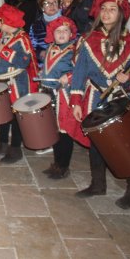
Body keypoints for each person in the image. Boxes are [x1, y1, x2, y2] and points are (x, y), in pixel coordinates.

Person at [71, 0, 130, 209]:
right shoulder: (89, 40)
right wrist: (76, 102)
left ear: (121, 13)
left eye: (112, 9)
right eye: (103, 9)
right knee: (97, 143)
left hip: (123, 100)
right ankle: (98, 184)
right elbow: (79, 74)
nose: (106, 13)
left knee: (129, 145)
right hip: (95, 98)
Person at [0, 4, 39, 163]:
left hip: (16, 83)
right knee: (1, 114)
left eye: (1, 21)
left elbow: (24, 60)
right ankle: (1, 144)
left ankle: (15, 148)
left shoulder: (22, 39)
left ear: (10, 22)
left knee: (15, 116)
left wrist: (3, 52)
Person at [38, 16, 87, 179]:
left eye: (65, 31)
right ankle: (56, 163)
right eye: (58, 31)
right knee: (54, 130)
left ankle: (63, 166)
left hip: (64, 97)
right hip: (49, 94)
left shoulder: (75, 49)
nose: (61, 34)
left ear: (71, 33)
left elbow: (82, 70)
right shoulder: (51, 47)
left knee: (64, 132)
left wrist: (69, 77)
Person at [29, 0, 61, 64]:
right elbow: (31, 48)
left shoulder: (67, 22)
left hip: (63, 63)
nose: (52, 6)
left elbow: (75, 43)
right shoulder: (35, 25)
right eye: (47, 3)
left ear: (59, 5)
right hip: (42, 65)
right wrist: (40, 53)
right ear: (42, 7)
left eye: (54, 2)